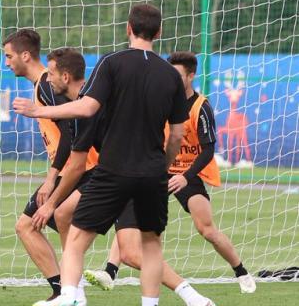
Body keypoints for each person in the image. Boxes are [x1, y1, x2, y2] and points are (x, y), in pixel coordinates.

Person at [14, 3, 188, 306]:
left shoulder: (111, 63)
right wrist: (162, 166)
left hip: (113, 169)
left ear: (128, 28)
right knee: (151, 246)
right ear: (160, 32)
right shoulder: (170, 75)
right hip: (152, 172)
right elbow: (178, 134)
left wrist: (41, 111)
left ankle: (69, 298)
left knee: (76, 239)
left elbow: (88, 107)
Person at [36, 48, 217, 306]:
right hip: (127, 175)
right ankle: (74, 294)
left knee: (130, 252)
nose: (47, 80)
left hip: (120, 178)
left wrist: (50, 201)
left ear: (66, 76)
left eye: (50, 73)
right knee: (65, 216)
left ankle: (194, 299)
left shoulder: (90, 107)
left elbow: (76, 164)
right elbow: (70, 156)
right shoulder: (86, 109)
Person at [85, 51, 256, 293]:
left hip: (190, 173)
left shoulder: (201, 106)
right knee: (130, 211)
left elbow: (208, 151)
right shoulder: (162, 100)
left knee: (206, 229)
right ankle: (110, 271)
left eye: (178, 75)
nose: (172, 80)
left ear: (191, 75)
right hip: (160, 168)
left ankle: (241, 271)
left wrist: (185, 177)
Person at [2, 29, 75, 306]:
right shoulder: (43, 85)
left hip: (72, 171)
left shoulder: (46, 85)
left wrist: (51, 178)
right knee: (53, 225)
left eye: (9, 56)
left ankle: (66, 292)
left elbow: (69, 133)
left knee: (27, 225)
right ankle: (67, 290)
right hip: (72, 170)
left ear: (25, 55)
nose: (7, 63)